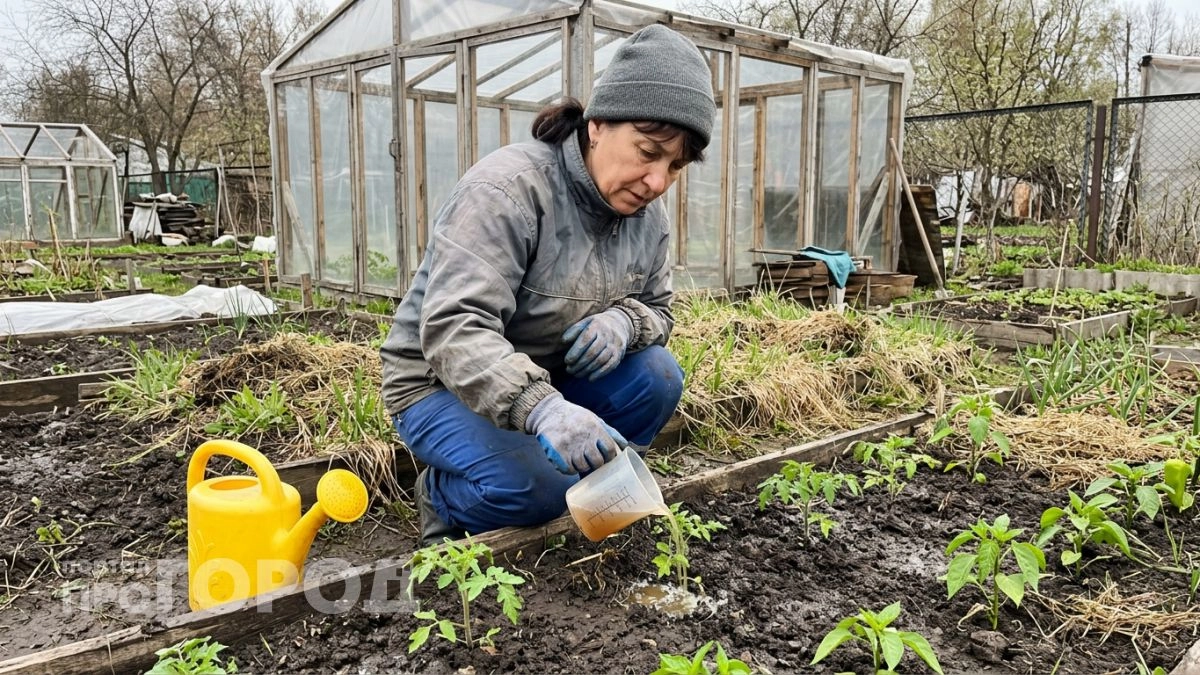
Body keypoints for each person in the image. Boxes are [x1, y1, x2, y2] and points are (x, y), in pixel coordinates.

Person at [380, 24, 716, 545]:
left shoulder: (648, 219)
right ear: (598, 125)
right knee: (538, 489)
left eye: (675, 166)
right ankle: (442, 496)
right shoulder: (509, 191)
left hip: (547, 377)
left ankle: (596, 489)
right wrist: (545, 408)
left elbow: (659, 310)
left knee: (657, 375)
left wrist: (626, 322)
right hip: (439, 386)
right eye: (649, 152)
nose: (658, 182)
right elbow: (454, 329)